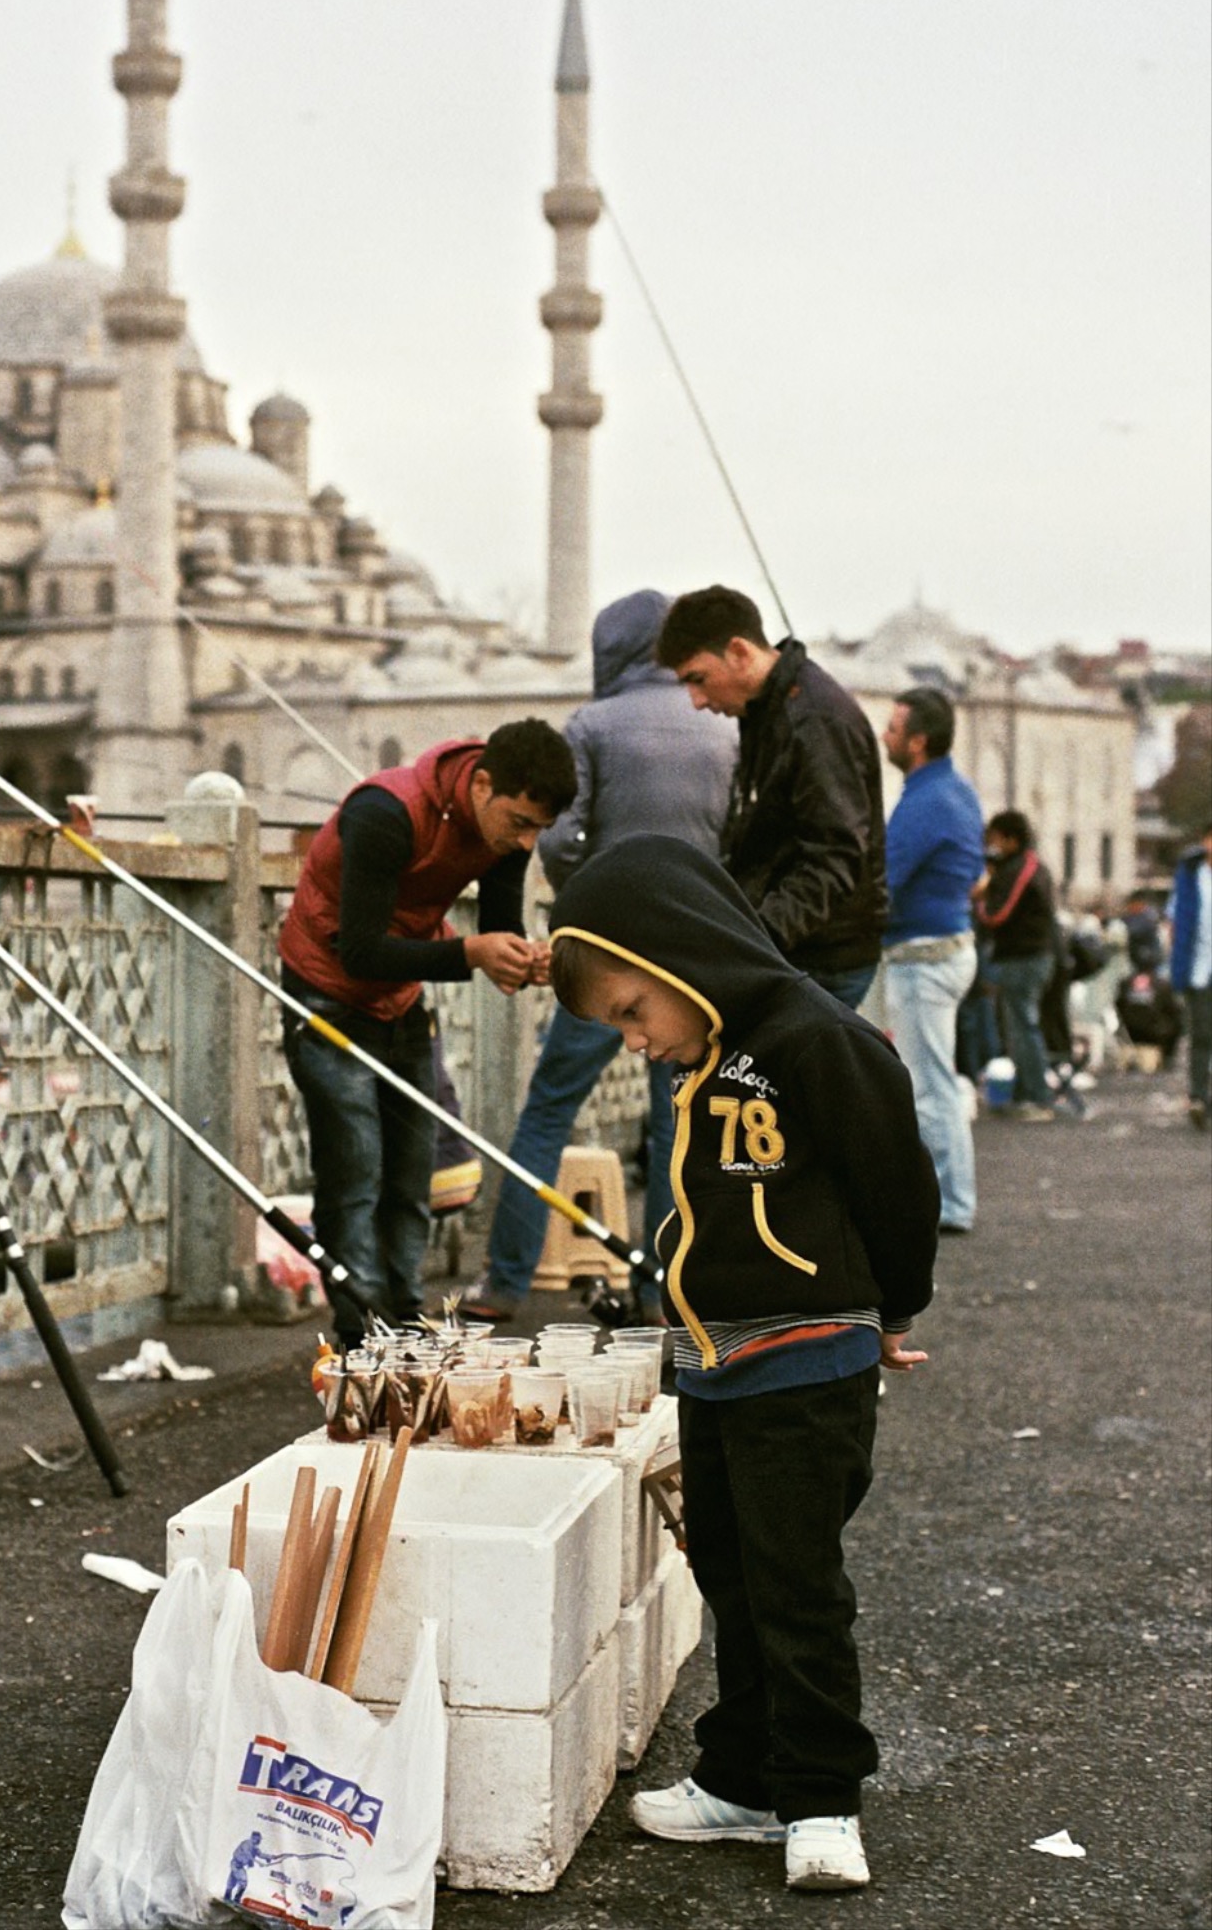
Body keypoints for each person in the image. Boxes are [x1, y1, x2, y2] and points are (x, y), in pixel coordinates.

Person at [548, 835, 939, 1893]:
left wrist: (893, 1306)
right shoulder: (705, 1058)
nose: (635, 1040)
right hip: (716, 1363)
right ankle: (744, 1776)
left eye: (634, 1009)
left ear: (680, 954)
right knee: (728, 1568)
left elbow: (897, 1183)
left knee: (794, 1582)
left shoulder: (816, 1037)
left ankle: (820, 1796)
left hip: (808, 1359)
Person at [463, 589, 737, 1323]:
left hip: (608, 948)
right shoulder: (721, 726)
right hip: (694, 950)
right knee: (677, 1121)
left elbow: (556, 839)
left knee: (550, 1106)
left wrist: (585, 896)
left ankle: (505, 1282)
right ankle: (662, 1289)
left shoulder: (592, 724)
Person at [278, 719, 577, 1345]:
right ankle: (363, 1333)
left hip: (400, 998)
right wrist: (472, 954)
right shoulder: (385, 811)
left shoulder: (504, 831)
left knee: (413, 1176)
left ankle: (406, 1321)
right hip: (325, 993)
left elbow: (495, 931)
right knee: (354, 1174)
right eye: (521, 823)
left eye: (539, 830)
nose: (526, 842)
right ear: (483, 785)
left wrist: (523, 962)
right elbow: (361, 950)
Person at [655, 586, 886, 1009]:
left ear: (739, 653)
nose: (697, 701)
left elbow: (834, 856)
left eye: (698, 679)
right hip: (792, 948)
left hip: (819, 957)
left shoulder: (814, 720)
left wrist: (754, 937)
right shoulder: (767, 710)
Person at [879, 687, 985, 1235]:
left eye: (893, 728)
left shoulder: (924, 803)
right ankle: (948, 1197)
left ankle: (950, 1203)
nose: (885, 736)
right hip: (948, 948)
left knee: (930, 1086)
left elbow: (883, 880)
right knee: (936, 1080)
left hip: (923, 956)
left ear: (917, 741)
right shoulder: (956, 792)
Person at [972, 810, 1058, 1120]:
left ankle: (1037, 1097)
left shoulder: (1023, 869)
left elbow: (997, 914)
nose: (991, 845)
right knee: (1018, 1027)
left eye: (995, 839)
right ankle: (1025, 1093)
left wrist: (981, 897)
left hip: (1025, 957)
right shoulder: (1026, 866)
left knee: (1023, 1028)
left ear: (1012, 839)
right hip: (1026, 956)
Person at [1169, 820, 1212, 1130]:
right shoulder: (1191, 874)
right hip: (1199, 967)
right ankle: (1197, 1096)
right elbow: (1176, 919)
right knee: (1201, 1034)